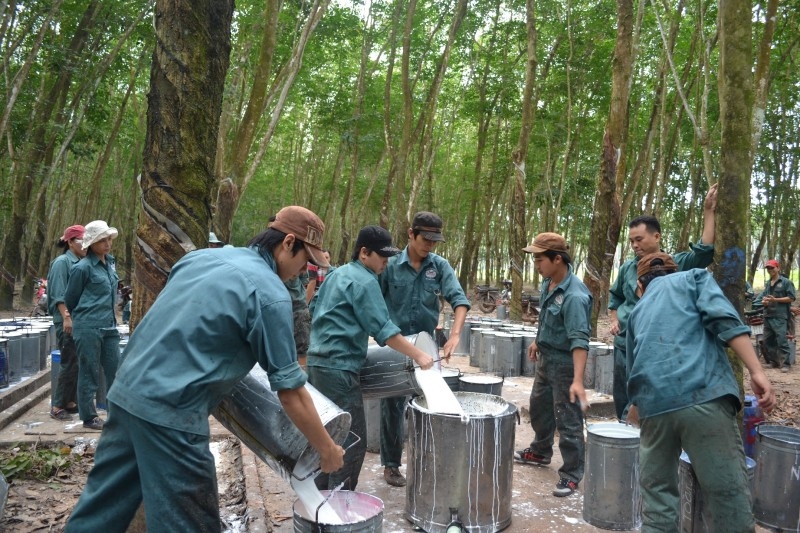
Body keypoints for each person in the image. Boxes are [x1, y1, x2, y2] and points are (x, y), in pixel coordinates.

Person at [65, 206, 345, 532]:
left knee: (102, 509)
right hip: (173, 414)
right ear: (288, 243)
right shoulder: (270, 294)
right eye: (304, 260)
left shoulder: (200, 259)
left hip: (127, 394)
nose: (304, 271)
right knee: (190, 523)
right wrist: (327, 449)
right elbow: (291, 393)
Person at [625, 252, 776, 532]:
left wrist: (636, 408)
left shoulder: (636, 311)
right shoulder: (694, 277)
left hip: (653, 407)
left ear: (640, 286)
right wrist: (757, 371)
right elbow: (725, 321)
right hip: (703, 396)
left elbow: (632, 367)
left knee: (657, 509)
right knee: (727, 496)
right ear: (673, 272)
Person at [306, 225, 435, 491]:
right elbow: (385, 332)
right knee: (352, 441)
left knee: (327, 438)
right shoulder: (365, 281)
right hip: (339, 369)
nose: (386, 264)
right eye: (382, 258)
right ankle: (339, 508)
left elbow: (313, 310)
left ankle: (317, 500)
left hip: (317, 364)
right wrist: (420, 355)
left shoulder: (336, 274)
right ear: (364, 253)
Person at [608, 183, 717, 420]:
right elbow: (615, 296)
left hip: (658, 346)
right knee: (623, 396)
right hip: (624, 345)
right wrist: (615, 318)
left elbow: (704, 252)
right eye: (631, 241)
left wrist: (709, 211)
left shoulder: (674, 264)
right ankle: (624, 438)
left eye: (639, 239)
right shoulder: (628, 268)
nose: (635, 245)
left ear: (656, 236)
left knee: (651, 398)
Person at [378, 211, 471, 487]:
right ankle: (392, 465)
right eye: (425, 239)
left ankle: (428, 459)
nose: (429, 245)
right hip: (395, 346)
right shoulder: (391, 265)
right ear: (411, 233)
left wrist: (454, 335)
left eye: (434, 241)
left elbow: (460, 300)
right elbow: (371, 301)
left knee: (429, 403)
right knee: (392, 405)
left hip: (427, 348)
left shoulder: (439, 267)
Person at [514, 232, 592, 497]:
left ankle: (571, 473)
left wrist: (578, 380)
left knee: (568, 419)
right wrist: (538, 340)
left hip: (565, 364)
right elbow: (547, 318)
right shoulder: (549, 282)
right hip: (546, 359)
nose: (536, 264)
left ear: (557, 259)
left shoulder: (575, 296)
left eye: (539, 259)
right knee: (540, 408)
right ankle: (540, 450)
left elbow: (580, 341)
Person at [64, 220, 121, 431]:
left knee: (115, 369)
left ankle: (117, 414)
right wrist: (83, 317)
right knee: (89, 371)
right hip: (88, 326)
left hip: (109, 326)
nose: (107, 244)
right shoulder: (83, 268)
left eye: (108, 239)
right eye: (101, 241)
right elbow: (71, 298)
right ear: (91, 244)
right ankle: (89, 416)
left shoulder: (111, 263)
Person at [47, 225, 86, 420]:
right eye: (81, 240)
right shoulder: (62, 262)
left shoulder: (81, 261)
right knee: (69, 361)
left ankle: (70, 401)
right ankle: (57, 405)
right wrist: (66, 317)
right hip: (66, 320)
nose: (85, 245)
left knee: (76, 362)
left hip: (79, 319)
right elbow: (57, 294)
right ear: (70, 242)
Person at [760, 259, 796, 372]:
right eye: (768, 268)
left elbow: (791, 298)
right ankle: (773, 361)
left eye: (772, 267)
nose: (770, 270)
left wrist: (775, 299)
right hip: (768, 315)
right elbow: (765, 297)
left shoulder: (786, 282)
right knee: (767, 340)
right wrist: (764, 302)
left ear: (778, 268)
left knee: (781, 340)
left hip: (780, 315)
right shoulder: (767, 283)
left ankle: (786, 364)